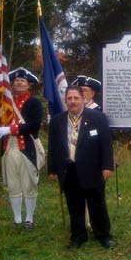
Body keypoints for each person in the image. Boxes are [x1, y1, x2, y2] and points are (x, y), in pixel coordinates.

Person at [48, 85, 115, 249]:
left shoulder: (98, 118)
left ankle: (103, 235)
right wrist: (52, 169)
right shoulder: (57, 121)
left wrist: (107, 166)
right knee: (74, 205)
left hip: (92, 169)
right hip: (69, 169)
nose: (72, 101)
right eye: (69, 99)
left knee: (97, 203)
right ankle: (78, 237)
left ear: (83, 99)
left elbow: (106, 144)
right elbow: (53, 146)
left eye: (76, 98)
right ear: (65, 101)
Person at [0, 67, 43, 230]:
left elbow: (34, 125)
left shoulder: (34, 103)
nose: (19, 83)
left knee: (29, 185)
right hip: (9, 148)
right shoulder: (6, 103)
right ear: (12, 84)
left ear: (28, 84)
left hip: (26, 148)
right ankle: (17, 219)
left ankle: (29, 219)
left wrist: (11, 130)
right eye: (16, 81)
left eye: (23, 81)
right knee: (13, 185)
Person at [71, 75, 103, 231]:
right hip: (75, 159)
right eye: (80, 90)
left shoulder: (98, 111)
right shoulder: (73, 111)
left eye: (85, 91)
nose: (82, 94)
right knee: (77, 194)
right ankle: (81, 222)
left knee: (93, 195)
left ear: (93, 93)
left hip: (93, 160)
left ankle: (93, 223)